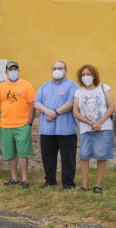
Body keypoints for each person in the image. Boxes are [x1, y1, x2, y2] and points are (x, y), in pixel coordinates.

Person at [34, 61, 80, 190]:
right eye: (54, 68)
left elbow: (71, 103)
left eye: (60, 68)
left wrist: (55, 112)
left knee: (68, 158)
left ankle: (68, 183)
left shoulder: (72, 85)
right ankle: (50, 181)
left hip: (66, 129)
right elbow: (36, 102)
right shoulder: (44, 86)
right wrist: (47, 111)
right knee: (47, 157)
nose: (57, 70)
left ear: (65, 70)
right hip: (47, 130)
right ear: (51, 71)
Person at [0, 61, 36, 189]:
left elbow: (32, 105)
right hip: (5, 126)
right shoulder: (1, 87)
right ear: (6, 72)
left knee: (22, 153)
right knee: (10, 153)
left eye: (15, 69)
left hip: (22, 125)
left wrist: (29, 123)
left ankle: (25, 180)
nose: (13, 72)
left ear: (19, 71)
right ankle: (14, 178)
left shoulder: (26, 85)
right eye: (10, 70)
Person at [73, 64, 115, 195]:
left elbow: (111, 107)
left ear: (94, 75)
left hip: (103, 128)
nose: (86, 77)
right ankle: (84, 186)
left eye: (88, 74)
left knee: (101, 156)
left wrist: (99, 122)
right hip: (86, 129)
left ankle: (98, 186)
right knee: (83, 156)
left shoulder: (104, 88)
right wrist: (90, 123)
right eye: (83, 74)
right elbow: (75, 112)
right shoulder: (79, 92)